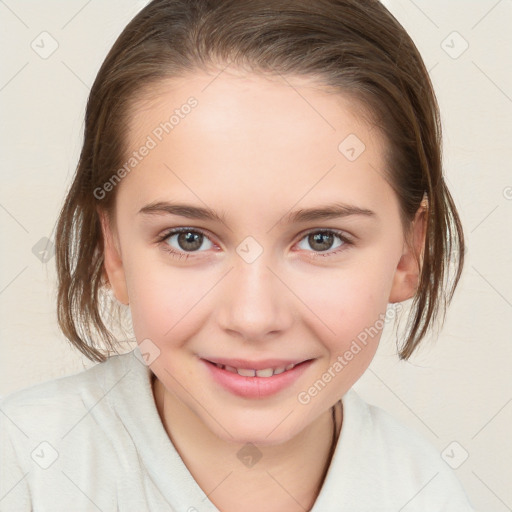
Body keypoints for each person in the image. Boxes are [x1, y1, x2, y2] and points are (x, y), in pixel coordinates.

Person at [0, 0, 477, 510]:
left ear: (408, 255)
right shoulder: (24, 471)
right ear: (113, 252)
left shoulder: (426, 494)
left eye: (322, 239)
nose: (253, 318)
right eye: (188, 239)